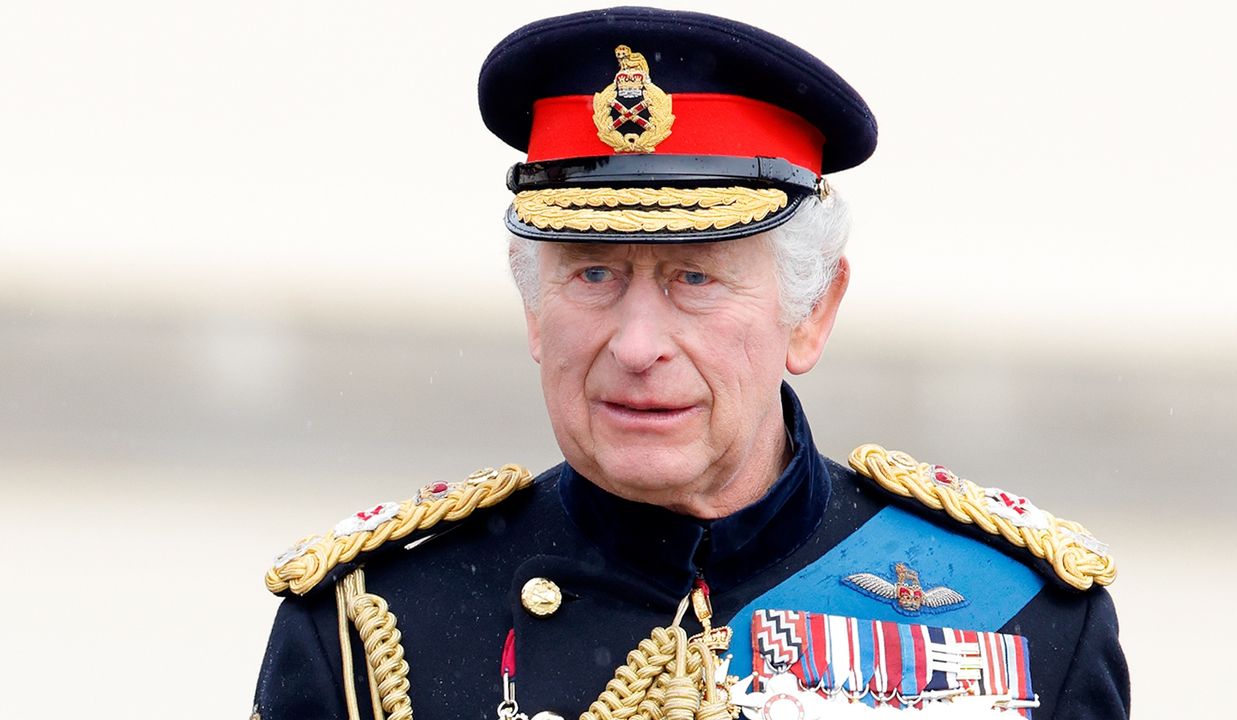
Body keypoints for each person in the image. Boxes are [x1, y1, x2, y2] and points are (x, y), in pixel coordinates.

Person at [253, 7, 1129, 720]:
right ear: (532, 307)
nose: (637, 347)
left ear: (811, 311)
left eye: (695, 278)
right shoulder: (368, 630)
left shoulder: (1026, 621)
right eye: (593, 274)